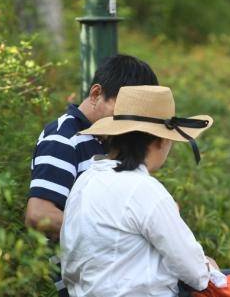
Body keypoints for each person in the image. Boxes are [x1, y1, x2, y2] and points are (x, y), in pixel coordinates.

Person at [60, 85, 215, 297]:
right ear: (161, 141)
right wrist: (207, 264)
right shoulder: (146, 191)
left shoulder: (85, 181)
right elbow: (196, 274)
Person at [25, 54, 158, 296]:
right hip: (82, 281)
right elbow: (39, 214)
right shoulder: (64, 137)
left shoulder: (108, 140)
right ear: (96, 94)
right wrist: (118, 233)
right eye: (123, 112)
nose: (129, 123)